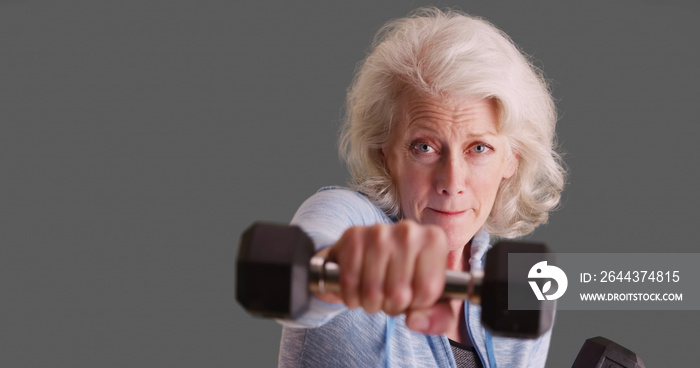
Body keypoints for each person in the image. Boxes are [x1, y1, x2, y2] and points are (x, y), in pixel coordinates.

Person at [277, 7, 566, 368]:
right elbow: (296, 269)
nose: (452, 182)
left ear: (512, 159)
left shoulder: (523, 289)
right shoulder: (350, 220)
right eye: (425, 147)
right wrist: (336, 266)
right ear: (386, 155)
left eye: (479, 148)